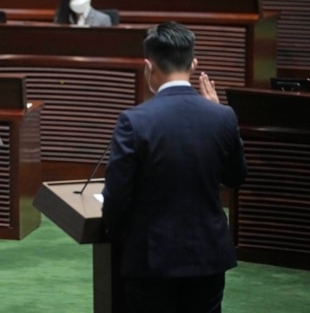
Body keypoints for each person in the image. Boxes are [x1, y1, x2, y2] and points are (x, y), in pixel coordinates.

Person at [101, 22, 247, 312]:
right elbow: (236, 177)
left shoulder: (135, 121)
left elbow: (116, 197)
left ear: (148, 66)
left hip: (152, 258)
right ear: (193, 64)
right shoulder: (223, 116)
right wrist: (218, 111)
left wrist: (116, 236)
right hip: (208, 256)